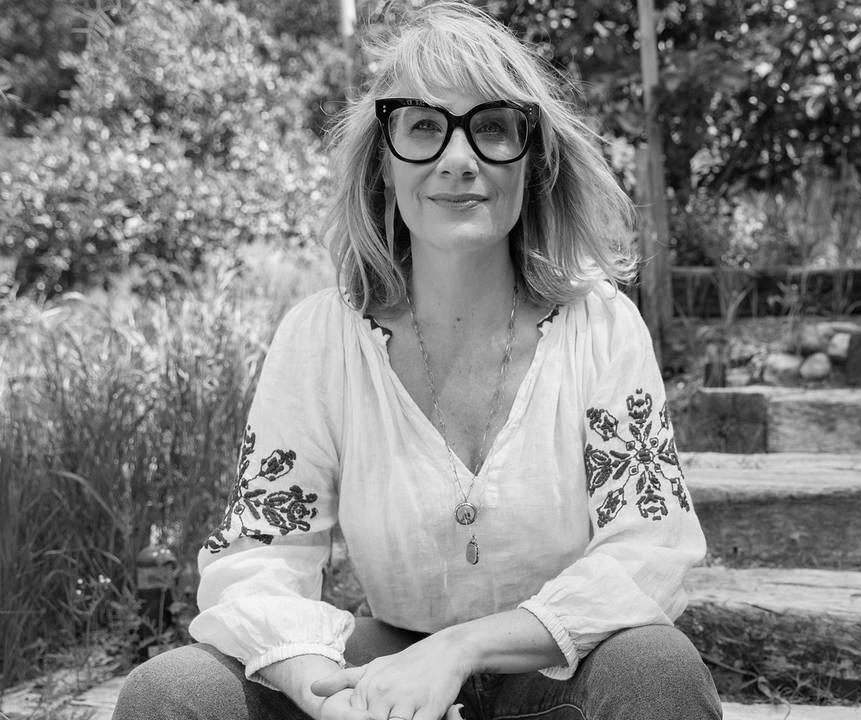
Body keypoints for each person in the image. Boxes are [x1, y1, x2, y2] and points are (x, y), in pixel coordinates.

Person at [112, 3, 719, 719]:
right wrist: (322, 689)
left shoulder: (599, 328)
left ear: (534, 159)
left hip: (557, 669)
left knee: (655, 669)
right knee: (171, 693)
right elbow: (261, 558)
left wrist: (458, 651)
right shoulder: (321, 339)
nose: (458, 159)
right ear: (384, 160)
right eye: (425, 127)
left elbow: (649, 549)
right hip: (384, 665)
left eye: (492, 127)